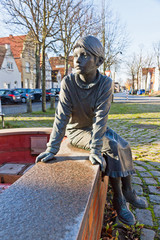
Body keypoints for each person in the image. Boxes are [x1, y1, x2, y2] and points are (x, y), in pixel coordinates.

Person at [36, 35, 148, 225]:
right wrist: (52, 148)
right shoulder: (68, 83)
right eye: (75, 56)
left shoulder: (105, 84)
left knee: (124, 144)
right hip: (77, 131)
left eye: (85, 55)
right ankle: (119, 200)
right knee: (111, 146)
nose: (77, 60)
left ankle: (130, 191)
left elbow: (100, 118)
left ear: (99, 61)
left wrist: (95, 148)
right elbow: (61, 118)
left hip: (95, 126)